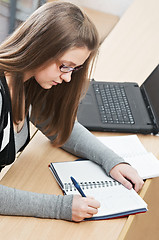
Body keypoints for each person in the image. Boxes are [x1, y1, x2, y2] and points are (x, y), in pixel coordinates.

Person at [0, 1, 144, 222]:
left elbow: (59, 128)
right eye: (64, 66)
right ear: (40, 49)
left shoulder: (27, 80)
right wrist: (60, 207)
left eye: (74, 69)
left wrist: (112, 161)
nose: (68, 77)